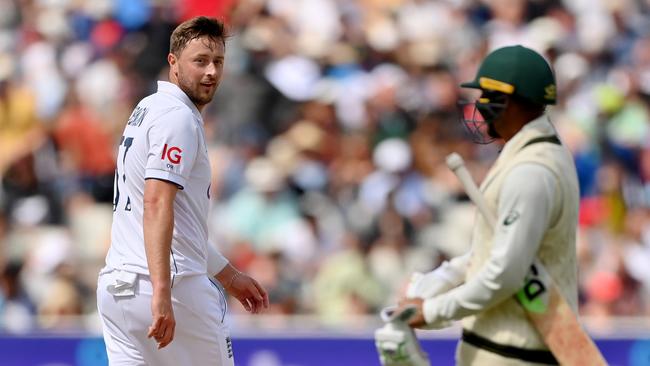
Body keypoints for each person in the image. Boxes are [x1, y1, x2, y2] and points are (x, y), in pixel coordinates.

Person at [97, 16, 269, 366]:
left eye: (218, 62)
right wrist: (161, 292)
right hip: (170, 287)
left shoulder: (147, 108)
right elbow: (157, 203)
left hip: (117, 288)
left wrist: (228, 275)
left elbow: (179, 226)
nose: (211, 72)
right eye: (200, 61)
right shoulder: (178, 118)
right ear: (173, 62)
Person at [395, 45, 580, 365]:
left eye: (486, 97)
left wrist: (433, 310)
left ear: (509, 100)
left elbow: (506, 273)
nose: (479, 107)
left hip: (513, 355)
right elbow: (500, 250)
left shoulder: (531, 171)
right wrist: (441, 279)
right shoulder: (533, 154)